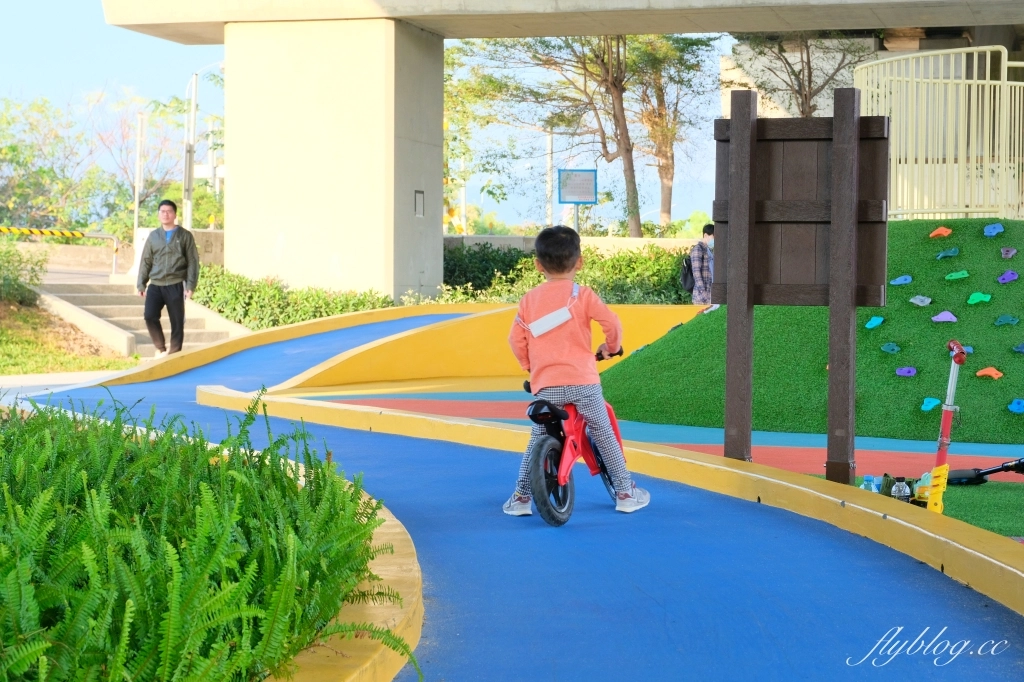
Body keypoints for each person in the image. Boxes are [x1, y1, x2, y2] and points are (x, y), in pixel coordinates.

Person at [503, 225, 650, 516]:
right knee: (603, 432)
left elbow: (515, 340)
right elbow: (612, 324)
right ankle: (624, 492)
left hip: (547, 384)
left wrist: (530, 367)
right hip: (583, 382)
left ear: (538, 265)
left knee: (537, 437)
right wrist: (611, 347)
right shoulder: (583, 295)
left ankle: (521, 497)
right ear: (579, 262)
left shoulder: (529, 300)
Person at [137, 200, 199, 358]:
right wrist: (141, 283)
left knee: (177, 322)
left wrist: (190, 285)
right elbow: (146, 260)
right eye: (162, 211)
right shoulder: (153, 236)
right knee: (150, 316)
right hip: (155, 284)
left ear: (175, 214)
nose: (165, 214)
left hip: (176, 283)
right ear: (158, 215)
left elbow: (193, 261)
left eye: (169, 211)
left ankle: (174, 354)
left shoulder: (185, 236)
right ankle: (161, 349)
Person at [690, 223, 714, 305]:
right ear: (706, 235)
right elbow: (696, 272)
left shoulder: (708, 250)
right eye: (714, 237)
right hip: (701, 297)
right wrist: (703, 292)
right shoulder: (698, 249)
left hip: (709, 294)